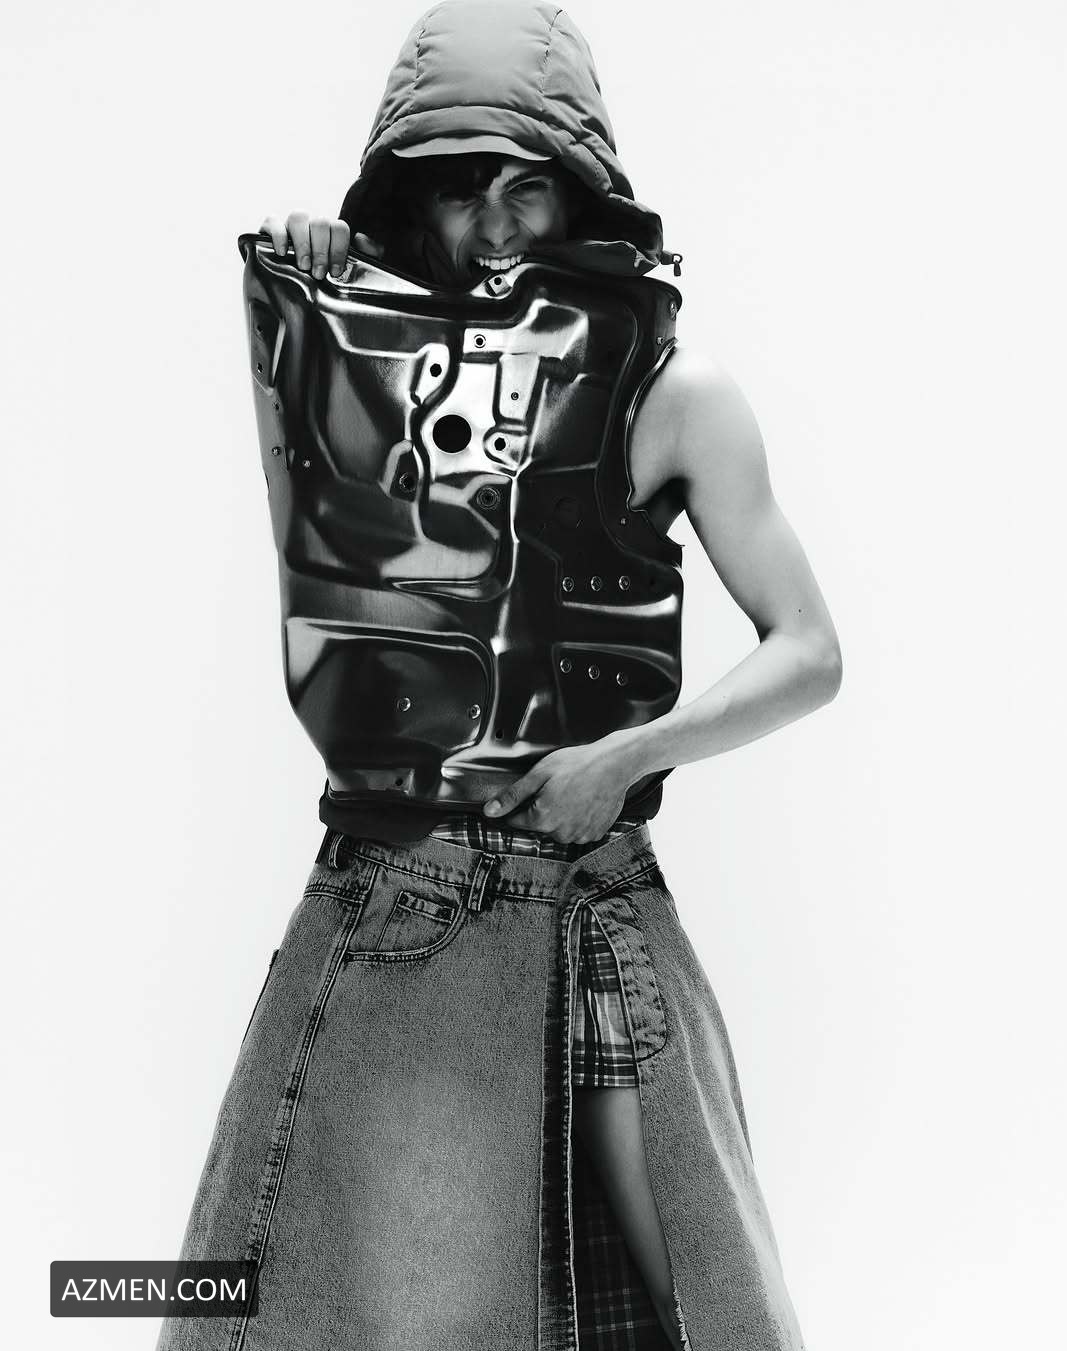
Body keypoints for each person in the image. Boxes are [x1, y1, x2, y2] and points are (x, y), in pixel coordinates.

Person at [157, 4, 840, 1349]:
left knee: (697, 1309)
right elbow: (324, 531)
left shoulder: (675, 391)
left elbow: (809, 652)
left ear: (579, 190)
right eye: (455, 193)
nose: (491, 229)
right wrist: (315, 300)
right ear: (410, 201)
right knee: (295, 1306)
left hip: (589, 896)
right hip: (389, 893)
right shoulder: (359, 363)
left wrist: (627, 758)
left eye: (523, 189)